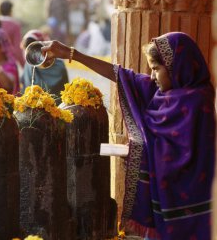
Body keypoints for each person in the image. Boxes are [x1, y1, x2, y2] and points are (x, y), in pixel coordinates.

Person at [41, 32, 215, 239]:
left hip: (193, 211)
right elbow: (119, 74)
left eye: (156, 69)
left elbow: (184, 156)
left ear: (177, 68)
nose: (151, 76)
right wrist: (71, 53)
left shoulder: (199, 103)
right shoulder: (160, 94)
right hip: (162, 212)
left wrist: (139, 153)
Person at [20, 29, 68, 104]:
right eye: (28, 51)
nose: (34, 55)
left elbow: (64, 93)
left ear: (44, 47)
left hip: (58, 110)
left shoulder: (59, 66)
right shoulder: (29, 65)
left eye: (36, 50)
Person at [0, 0, 24, 66]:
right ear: (11, 11)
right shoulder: (15, 25)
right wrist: (23, 65)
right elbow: (17, 48)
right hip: (9, 62)